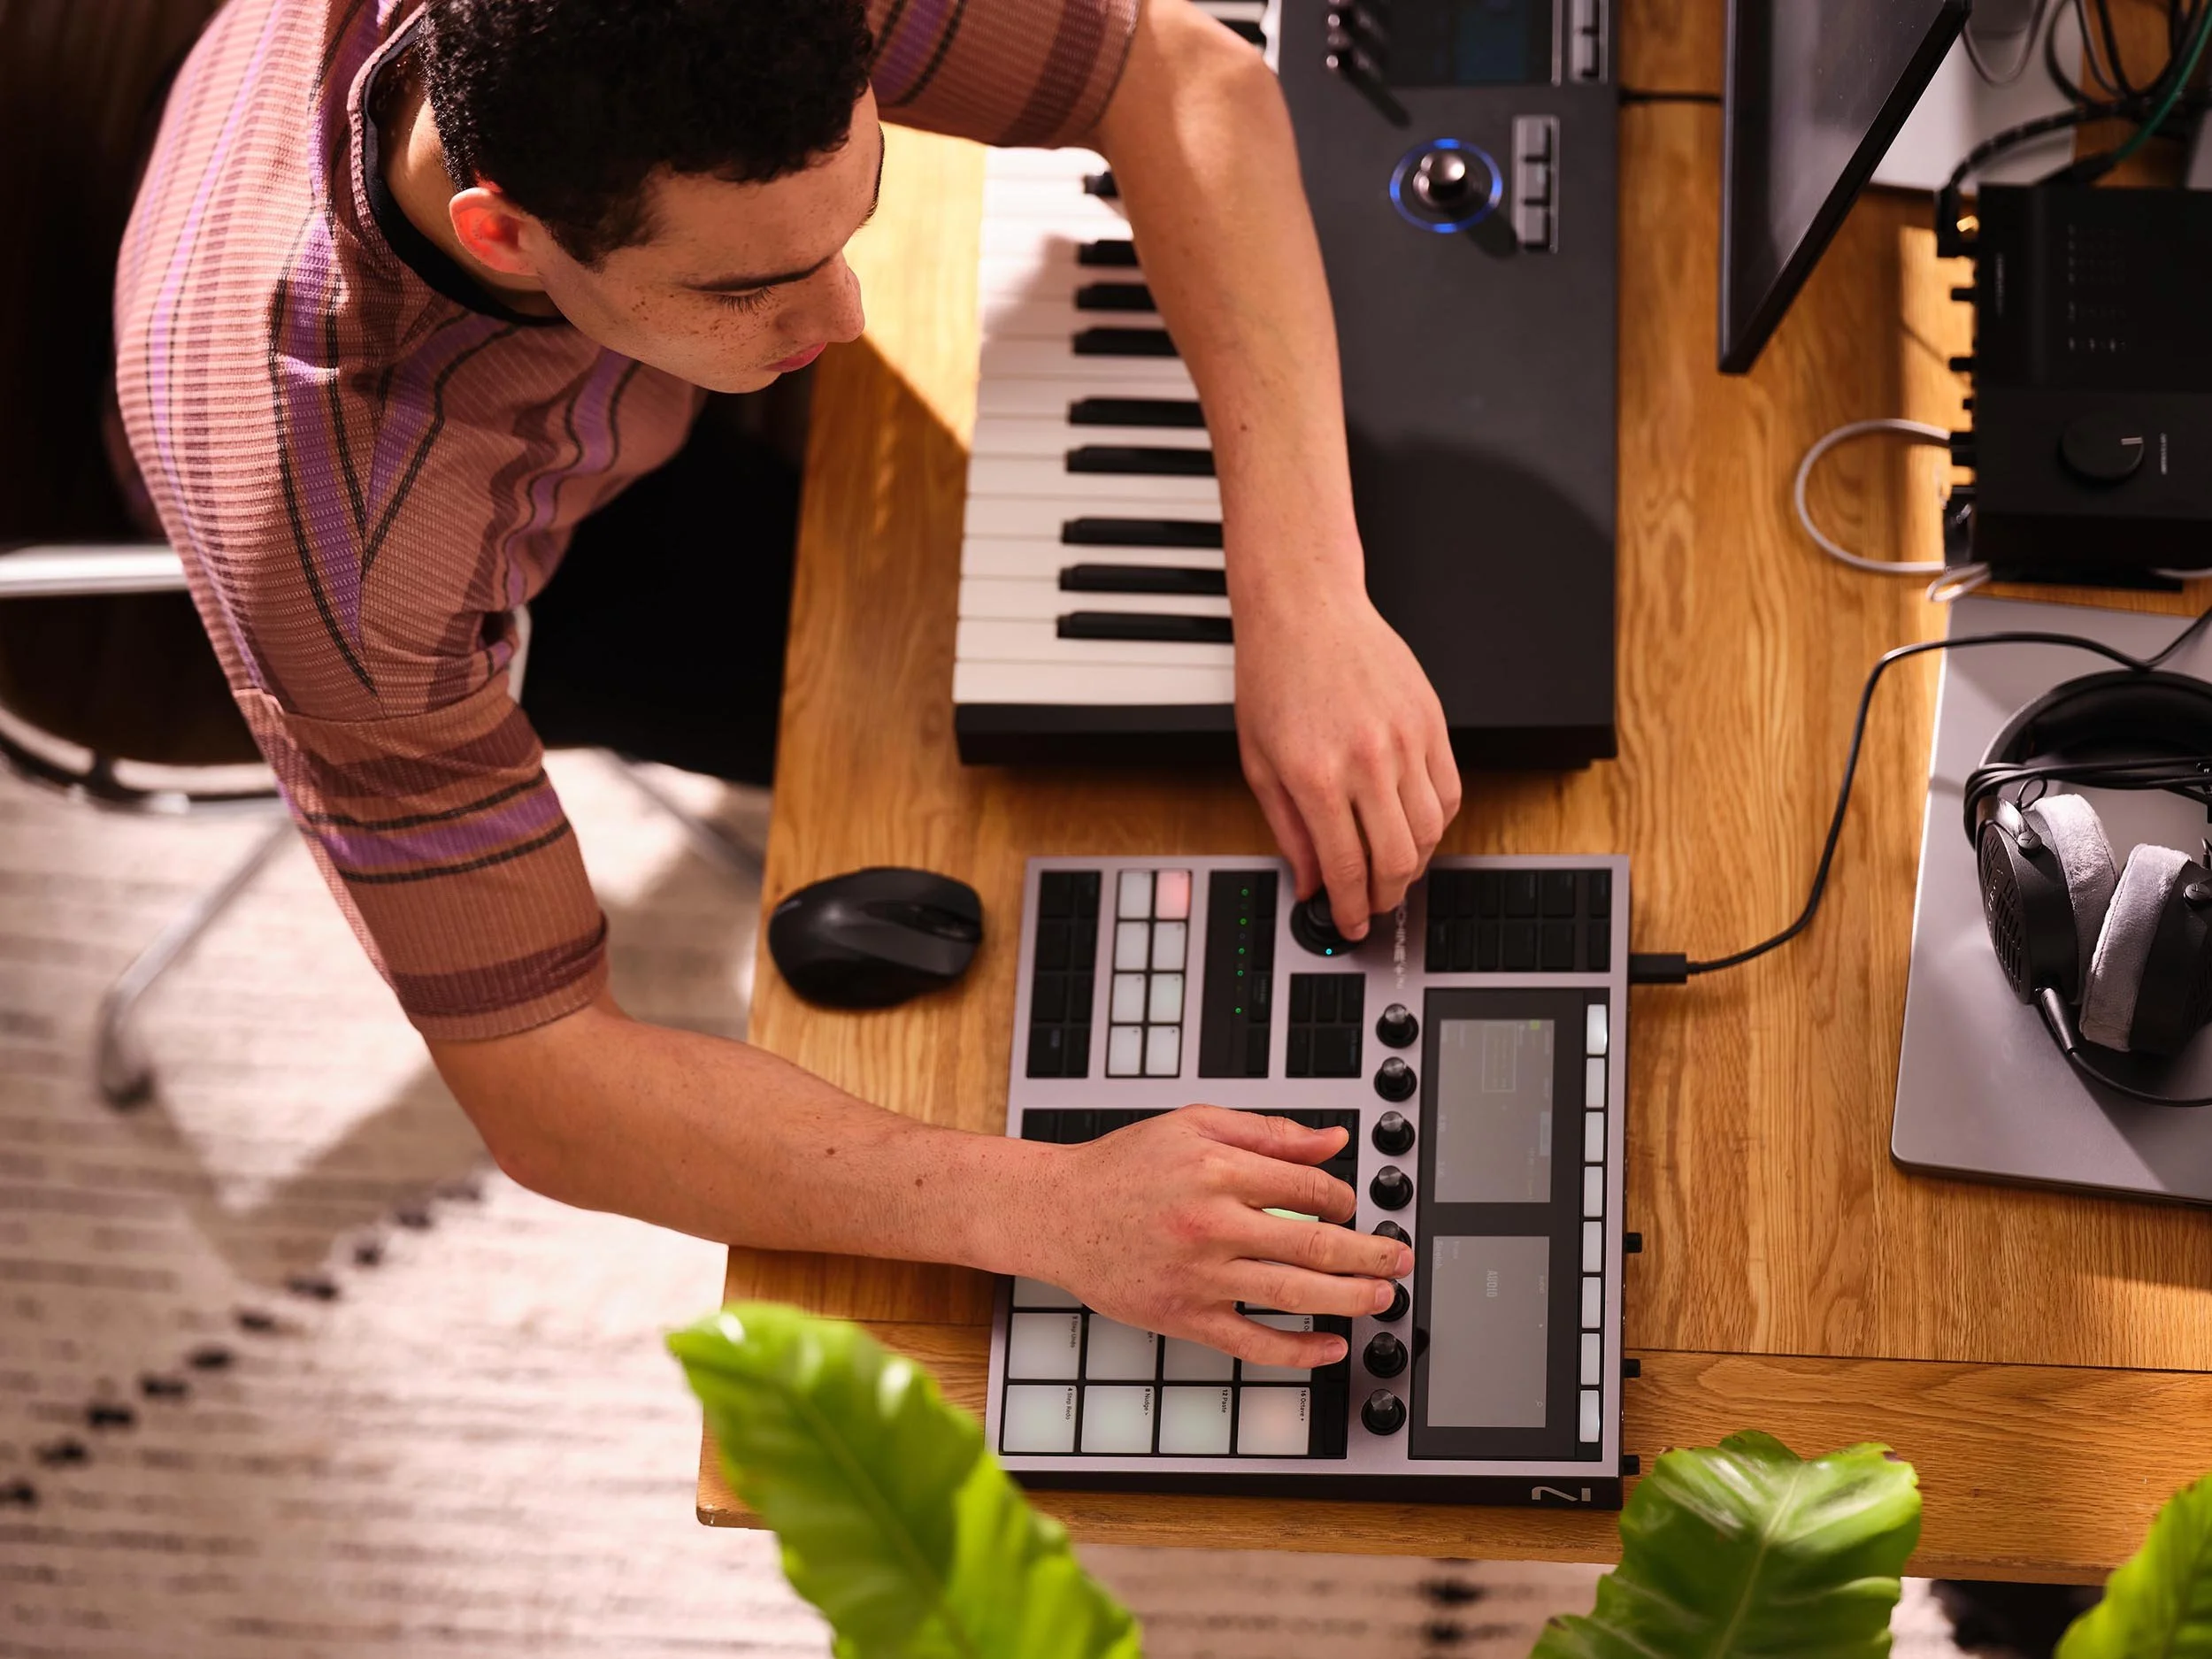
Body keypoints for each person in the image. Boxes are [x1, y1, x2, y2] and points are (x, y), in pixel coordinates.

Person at [114, 0, 1462, 1369]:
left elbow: (1181, 74)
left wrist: (1304, 594)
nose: (847, 315)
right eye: (746, 285)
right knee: (1012, 772)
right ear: (505, 233)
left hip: (582, 355)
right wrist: (1053, 1205)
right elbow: (543, 1087)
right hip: (492, 543)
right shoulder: (348, 557)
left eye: (855, 209)